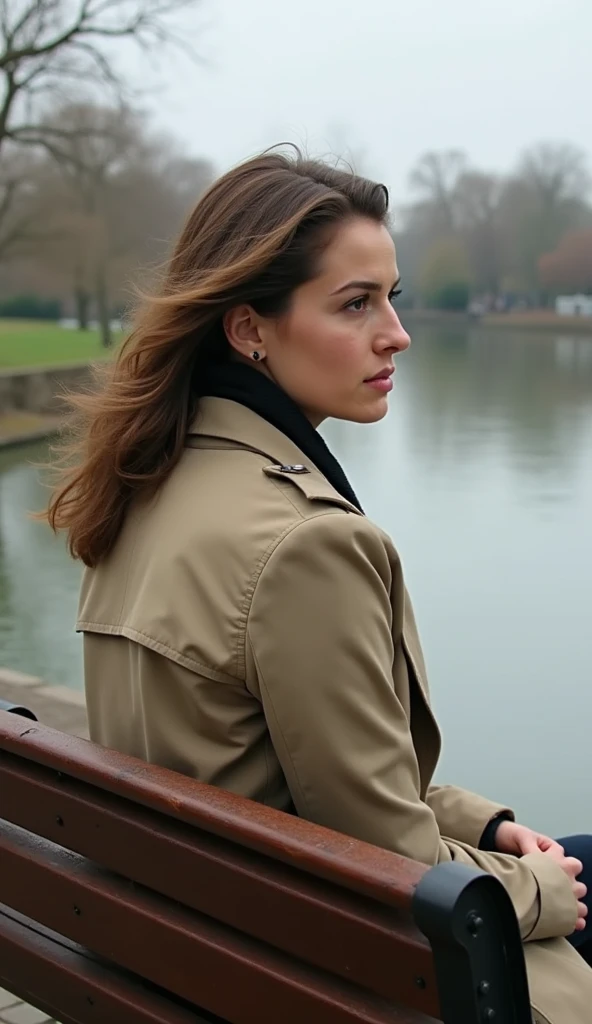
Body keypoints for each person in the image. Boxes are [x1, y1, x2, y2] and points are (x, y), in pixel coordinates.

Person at [46, 149, 592, 1023]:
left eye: (392, 296)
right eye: (354, 303)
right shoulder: (304, 547)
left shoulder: (145, 483)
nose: (396, 333)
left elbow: (289, 775)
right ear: (249, 329)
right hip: (316, 965)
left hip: (205, 929)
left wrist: (485, 825)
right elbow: (390, 863)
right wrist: (535, 893)